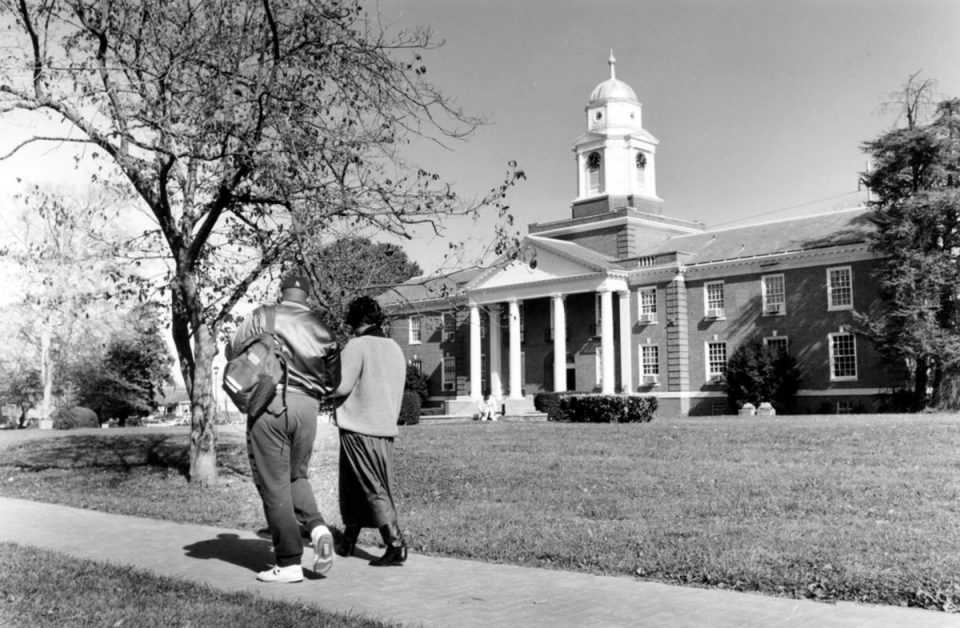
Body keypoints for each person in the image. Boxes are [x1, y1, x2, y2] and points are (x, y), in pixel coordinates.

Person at [227, 272, 341, 583]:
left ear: (283, 293)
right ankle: (318, 531)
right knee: (296, 475)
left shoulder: (263, 316)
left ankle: (289, 562)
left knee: (273, 483)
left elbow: (234, 348)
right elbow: (334, 381)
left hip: (271, 402)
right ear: (308, 297)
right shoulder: (324, 329)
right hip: (308, 409)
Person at [332, 296, 409, 566]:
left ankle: (396, 543)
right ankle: (348, 540)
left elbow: (340, 386)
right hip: (384, 427)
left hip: (359, 427)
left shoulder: (357, 346)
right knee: (356, 486)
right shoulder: (394, 348)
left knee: (371, 486)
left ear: (356, 319)